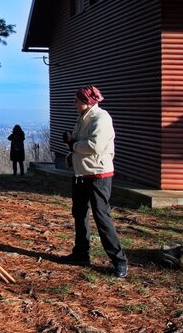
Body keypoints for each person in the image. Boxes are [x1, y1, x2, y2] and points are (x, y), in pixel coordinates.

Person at [61, 85, 128, 278]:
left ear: (87, 101)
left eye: (77, 100)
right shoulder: (83, 118)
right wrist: (71, 141)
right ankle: (81, 254)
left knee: (101, 216)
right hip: (81, 174)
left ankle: (119, 261)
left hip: (99, 175)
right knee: (79, 214)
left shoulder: (101, 118)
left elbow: (95, 146)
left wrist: (73, 144)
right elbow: (82, 142)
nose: (74, 103)